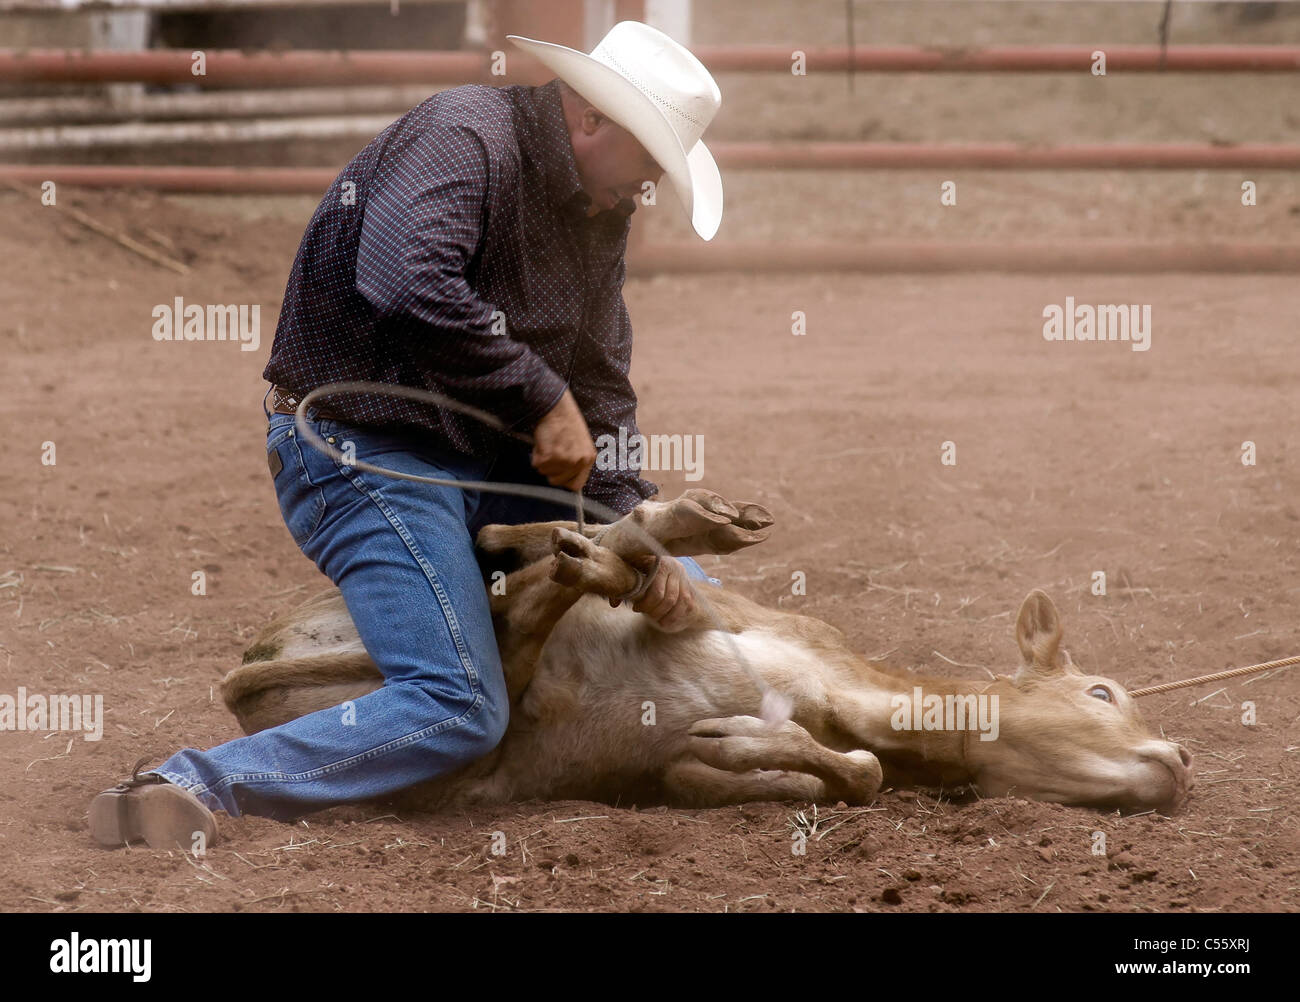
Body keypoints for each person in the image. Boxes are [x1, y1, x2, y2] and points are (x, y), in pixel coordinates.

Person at [88, 20, 725, 849]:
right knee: (458, 702)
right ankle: (190, 782)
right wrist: (540, 399)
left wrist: (636, 526)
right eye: (647, 168)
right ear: (591, 122)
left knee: (698, 590)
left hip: (474, 458)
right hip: (360, 450)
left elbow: (600, 385)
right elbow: (404, 280)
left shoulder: (594, 212)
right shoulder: (464, 137)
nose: (643, 193)